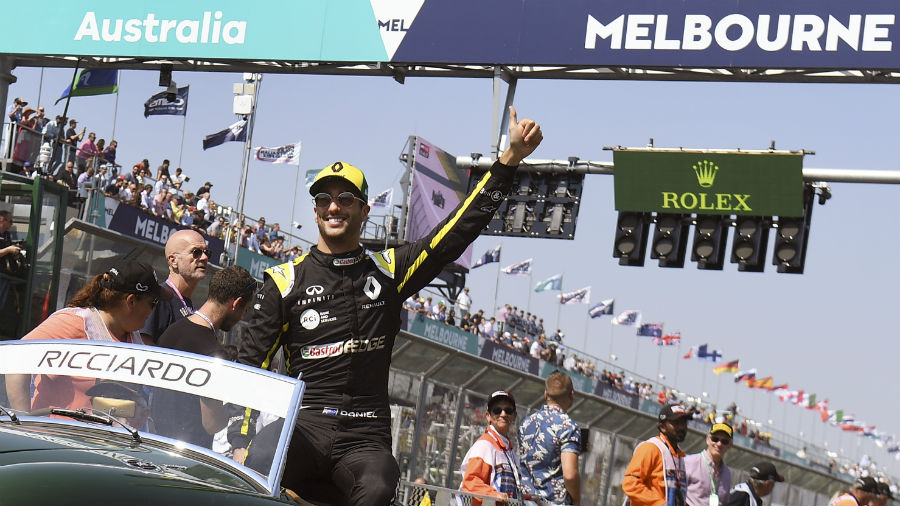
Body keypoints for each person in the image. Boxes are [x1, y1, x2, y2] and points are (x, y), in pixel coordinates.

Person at [230, 106, 542, 506]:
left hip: (366, 434)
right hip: (303, 425)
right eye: (324, 198)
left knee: (379, 486)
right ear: (315, 211)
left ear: (364, 209)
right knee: (256, 463)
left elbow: (457, 231)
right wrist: (241, 439)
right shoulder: (284, 281)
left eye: (346, 198)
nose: (334, 206)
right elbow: (248, 370)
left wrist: (507, 163)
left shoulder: (390, 268)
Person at [6, 261, 159, 412]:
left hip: (104, 436)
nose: (153, 311)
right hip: (55, 434)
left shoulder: (133, 336)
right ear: (131, 301)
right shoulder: (74, 322)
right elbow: (17, 358)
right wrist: (24, 422)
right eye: (153, 303)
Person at [153, 266, 256, 448]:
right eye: (245, 310)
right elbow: (212, 424)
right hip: (189, 454)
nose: (241, 316)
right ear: (236, 303)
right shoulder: (213, 352)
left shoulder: (173, 330)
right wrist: (233, 407)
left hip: (156, 442)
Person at [518, 370, 581, 505]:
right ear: (572, 395)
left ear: (546, 395)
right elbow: (570, 475)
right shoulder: (568, 427)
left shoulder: (527, 422)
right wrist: (576, 500)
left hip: (524, 500)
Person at [140, 229, 209, 345]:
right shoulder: (159, 299)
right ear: (173, 261)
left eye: (207, 252)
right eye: (196, 252)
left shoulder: (188, 304)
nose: (204, 257)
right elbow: (144, 347)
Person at [459, 391, 523, 505]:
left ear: (514, 416)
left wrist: (528, 498)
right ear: (488, 416)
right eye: (497, 410)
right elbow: (470, 482)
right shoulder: (485, 445)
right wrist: (494, 495)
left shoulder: (509, 450)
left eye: (508, 410)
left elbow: (510, 492)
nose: (503, 414)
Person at [623, 403, 689, 506]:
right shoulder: (650, 448)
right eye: (676, 423)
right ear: (662, 427)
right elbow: (630, 484)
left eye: (684, 423)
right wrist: (659, 503)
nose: (681, 427)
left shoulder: (680, 456)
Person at [684, 423, 733, 506]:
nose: (719, 444)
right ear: (708, 440)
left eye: (724, 441)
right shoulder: (689, 462)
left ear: (730, 445)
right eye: (715, 439)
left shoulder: (727, 473)